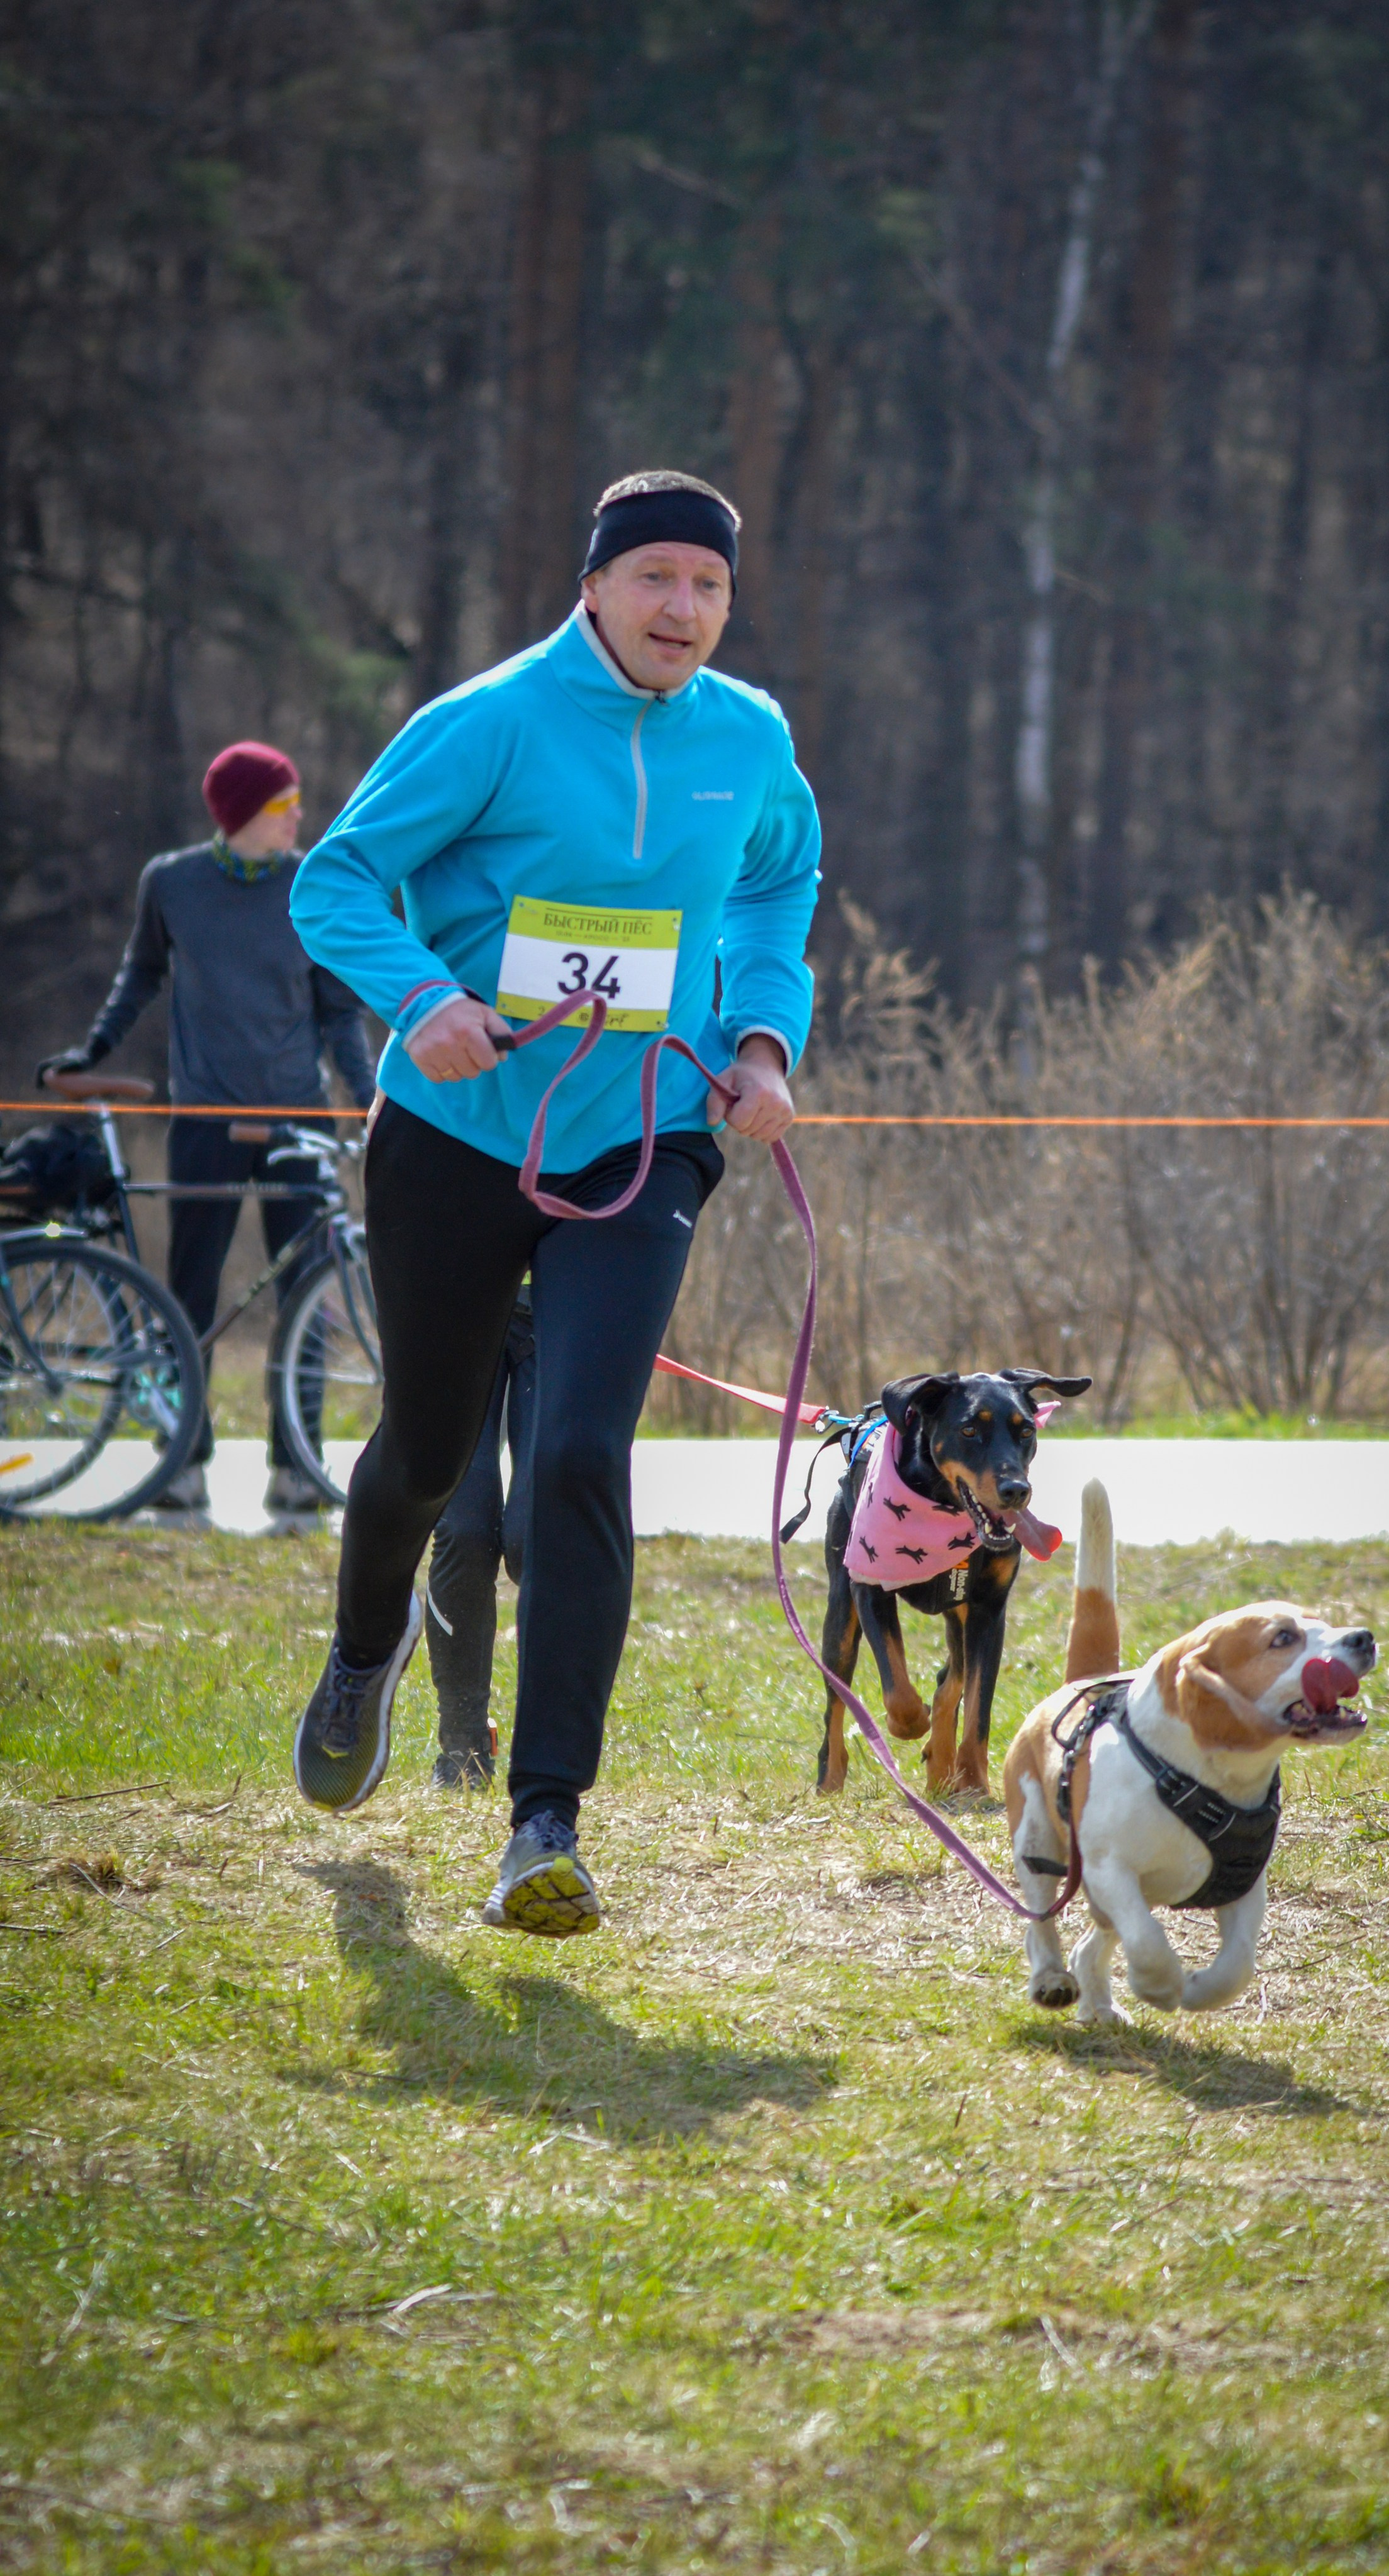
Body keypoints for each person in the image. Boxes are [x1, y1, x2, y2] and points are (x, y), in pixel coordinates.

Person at [286, 469, 820, 1938]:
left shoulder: (747, 738)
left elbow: (778, 887)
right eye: (652, 578)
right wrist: (424, 996)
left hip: (642, 1135)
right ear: (591, 587)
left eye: (706, 586)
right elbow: (335, 882)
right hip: (458, 1132)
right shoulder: (489, 722)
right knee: (427, 1447)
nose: (681, 609)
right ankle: (360, 1646)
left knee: (580, 1452)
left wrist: (762, 1035)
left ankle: (543, 1823)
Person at [37, 743, 377, 1513]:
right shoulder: (172, 882)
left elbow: (338, 1014)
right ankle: (181, 1463)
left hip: (297, 1121)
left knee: (307, 1298)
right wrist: (91, 1050)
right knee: (189, 1294)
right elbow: (140, 975)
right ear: (244, 814)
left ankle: (298, 1468)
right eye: (286, 805)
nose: (300, 817)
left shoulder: (309, 884)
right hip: (202, 1119)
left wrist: (369, 1095)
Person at [424, 1279, 535, 1789]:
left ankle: (545, 1762)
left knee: (533, 1534)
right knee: (464, 1529)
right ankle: (462, 1747)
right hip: (463, 1297)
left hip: (563, 1303)